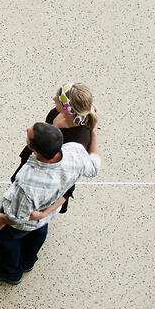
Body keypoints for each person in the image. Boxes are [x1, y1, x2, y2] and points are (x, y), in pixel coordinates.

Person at [0, 121, 101, 284]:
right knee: (37, 234)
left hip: (23, 222)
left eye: (29, 135)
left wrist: (2, 219)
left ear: (35, 150)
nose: (27, 128)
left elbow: (20, 217)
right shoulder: (76, 151)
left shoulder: (28, 182)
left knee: (6, 240)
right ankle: (27, 262)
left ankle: (9, 273)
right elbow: (94, 167)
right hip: (45, 216)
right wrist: (94, 134)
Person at [10, 82, 98, 218]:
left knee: (34, 199)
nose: (53, 99)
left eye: (57, 99)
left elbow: (69, 178)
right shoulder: (56, 112)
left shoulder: (79, 139)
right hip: (39, 155)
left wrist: (44, 213)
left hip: (49, 174)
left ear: (67, 107)